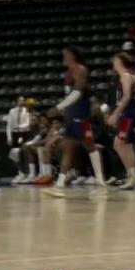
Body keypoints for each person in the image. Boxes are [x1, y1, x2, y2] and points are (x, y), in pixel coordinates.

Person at [43, 47, 106, 198]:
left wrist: (58, 107)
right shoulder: (68, 72)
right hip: (71, 115)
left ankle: (100, 181)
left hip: (82, 115)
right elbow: (70, 94)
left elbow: (77, 93)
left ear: (73, 56)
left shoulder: (80, 69)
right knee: (68, 148)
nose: (63, 57)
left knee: (89, 145)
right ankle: (59, 185)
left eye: (66, 55)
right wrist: (65, 110)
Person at [108, 53, 135, 190]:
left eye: (115, 60)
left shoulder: (126, 76)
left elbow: (127, 97)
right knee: (120, 144)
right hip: (127, 114)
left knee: (122, 144)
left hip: (128, 115)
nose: (113, 62)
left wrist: (115, 114)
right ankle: (131, 175)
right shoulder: (129, 75)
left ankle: (133, 177)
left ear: (121, 61)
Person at [8, 96, 32, 184]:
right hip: (15, 134)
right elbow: (9, 125)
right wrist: (9, 137)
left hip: (24, 133)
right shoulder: (12, 111)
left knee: (23, 153)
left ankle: (27, 173)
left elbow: (28, 123)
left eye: (23, 101)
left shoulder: (27, 111)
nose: (21, 102)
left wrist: (19, 127)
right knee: (14, 154)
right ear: (17, 102)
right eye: (19, 100)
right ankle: (20, 173)